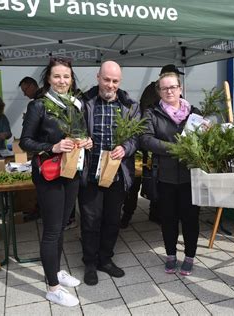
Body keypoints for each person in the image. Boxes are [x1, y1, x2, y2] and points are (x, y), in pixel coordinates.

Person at [20, 57, 93, 307]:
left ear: (72, 79)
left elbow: (82, 133)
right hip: (49, 175)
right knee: (51, 230)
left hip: (71, 172)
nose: (62, 81)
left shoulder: (76, 104)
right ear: (48, 79)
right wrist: (52, 146)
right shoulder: (39, 106)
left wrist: (87, 142)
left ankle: (57, 270)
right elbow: (25, 142)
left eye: (66, 76)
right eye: (57, 76)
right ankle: (52, 287)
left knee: (62, 225)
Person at [78, 60, 140, 286]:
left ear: (119, 81)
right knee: (90, 220)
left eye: (115, 81)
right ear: (98, 77)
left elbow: (137, 136)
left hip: (117, 174)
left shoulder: (130, 105)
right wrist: (80, 140)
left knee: (112, 220)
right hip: (90, 174)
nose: (110, 85)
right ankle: (90, 263)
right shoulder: (84, 102)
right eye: (106, 79)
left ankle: (105, 259)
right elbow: (74, 130)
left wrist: (126, 148)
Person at [141, 72, 202, 276]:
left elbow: (202, 141)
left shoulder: (194, 113)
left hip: (191, 177)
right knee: (168, 219)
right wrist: (175, 148)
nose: (169, 91)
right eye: (165, 88)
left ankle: (190, 256)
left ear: (180, 88)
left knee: (191, 219)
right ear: (159, 91)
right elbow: (146, 140)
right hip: (165, 177)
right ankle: (171, 255)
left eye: (173, 87)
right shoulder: (152, 113)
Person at [120, 64, 184, 228]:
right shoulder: (152, 91)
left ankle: (155, 212)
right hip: (146, 145)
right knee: (137, 180)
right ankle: (127, 214)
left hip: (162, 147)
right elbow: (146, 113)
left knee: (156, 181)